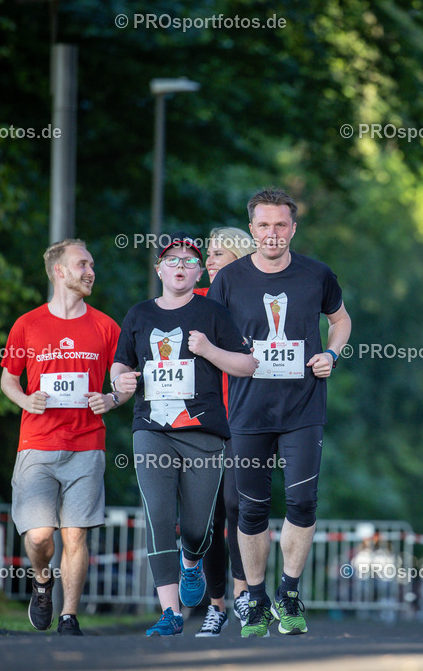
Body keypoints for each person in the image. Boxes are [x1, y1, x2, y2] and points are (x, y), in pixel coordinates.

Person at [208, 188, 352, 637]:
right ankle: (254, 595)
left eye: (281, 225)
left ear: (293, 228)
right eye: (264, 225)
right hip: (248, 411)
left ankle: (288, 591)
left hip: (303, 407)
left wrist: (331, 353)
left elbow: (341, 320)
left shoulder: (317, 275)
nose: (273, 234)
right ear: (252, 230)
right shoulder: (229, 280)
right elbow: (205, 337)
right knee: (250, 509)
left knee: (304, 500)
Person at [110, 232, 257, 636]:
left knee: (196, 527)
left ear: (198, 274)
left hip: (204, 432)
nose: (180, 266)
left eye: (190, 262)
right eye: (171, 260)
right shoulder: (139, 314)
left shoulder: (213, 313)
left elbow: (248, 364)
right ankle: (170, 613)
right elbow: (120, 364)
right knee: (158, 516)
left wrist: (209, 350)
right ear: (159, 269)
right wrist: (120, 381)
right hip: (151, 428)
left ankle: (191, 562)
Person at [0, 238, 122, 635]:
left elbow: (125, 379)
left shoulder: (106, 326)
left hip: (87, 445)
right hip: (37, 444)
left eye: (92, 264)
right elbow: (8, 378)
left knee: (75, 536)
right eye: (82, 264)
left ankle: (69, 616)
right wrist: (25, 400)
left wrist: (112, 397)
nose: (90, 271)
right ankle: (41, 581)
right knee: (39, 538)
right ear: (59, 271)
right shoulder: (28, 324)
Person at [193, 226, 258, 636]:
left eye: (219, 253)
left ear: (239, 259)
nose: (209, 260)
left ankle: (242, 596)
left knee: (237, 507)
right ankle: (216, 604)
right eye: (209, 254)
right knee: (205, 518)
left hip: (245, 420)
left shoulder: (254, 303)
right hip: (200, 423)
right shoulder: (192, 303)